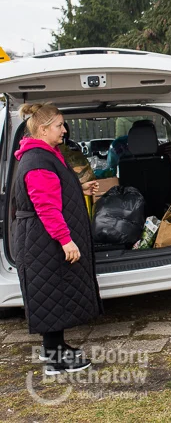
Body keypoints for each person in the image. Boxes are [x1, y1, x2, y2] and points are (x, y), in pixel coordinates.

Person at [13, 103, 103, 375]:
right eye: (59, 125)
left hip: (42, 239)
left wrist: (79, 187)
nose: (64, 130)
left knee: (53, 293)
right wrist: (66, 240)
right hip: (44, 239)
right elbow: (46, 206)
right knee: (51, 293)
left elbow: (55, 191)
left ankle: (54, 347)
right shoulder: (38, 161)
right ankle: (56, 361)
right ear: (42, 129)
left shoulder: (44, 154)